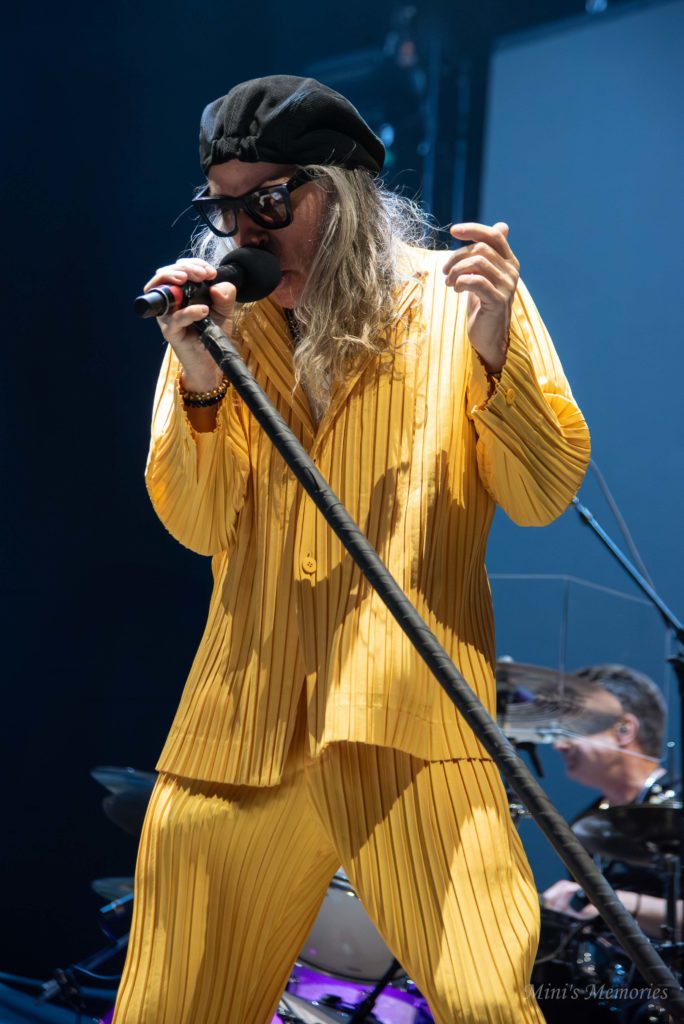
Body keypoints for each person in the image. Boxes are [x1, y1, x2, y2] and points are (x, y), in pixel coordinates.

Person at [113, 75, 590, 1024]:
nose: (243, 233)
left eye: (268, 203)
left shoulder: (463, 301)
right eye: (225, 208)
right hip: (241, 725)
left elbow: (541, 496)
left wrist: (498, 352)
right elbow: (197, 524)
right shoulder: (215, 328)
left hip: (413, 723)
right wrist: (200, 375)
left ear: (341, 193)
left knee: (487, 1005)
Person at [543, 664, 679, 939]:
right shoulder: (587, 823)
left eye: (574, 726)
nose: (560, 745)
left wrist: (614, 901)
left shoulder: (677, 804)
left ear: (624, 730)